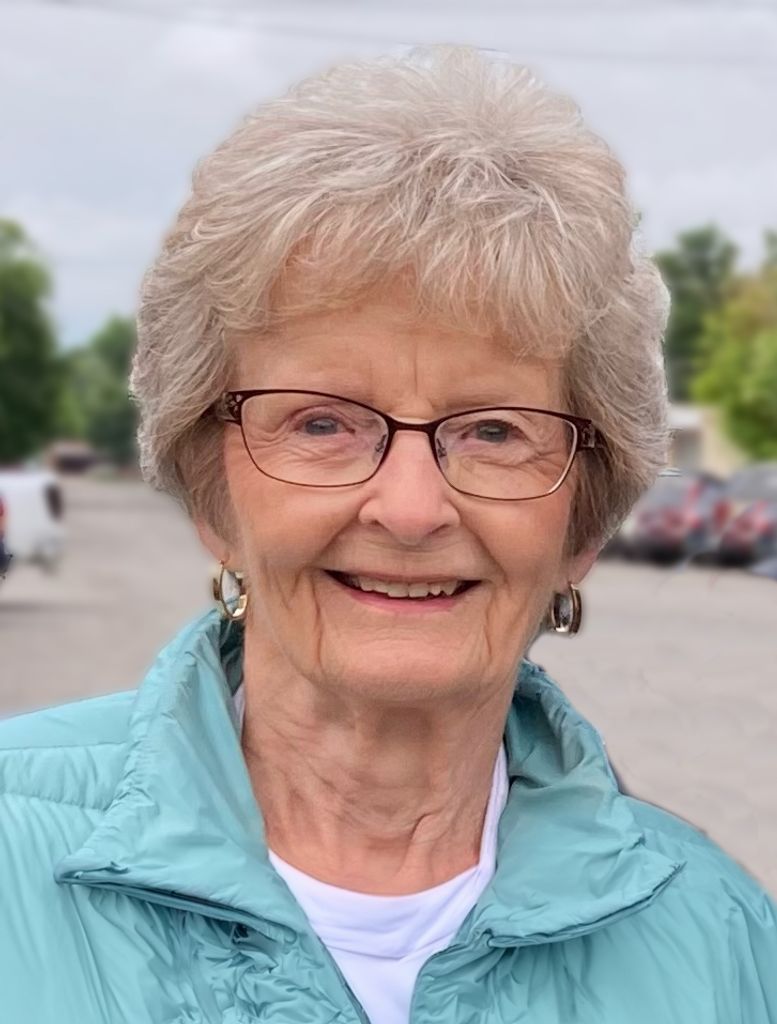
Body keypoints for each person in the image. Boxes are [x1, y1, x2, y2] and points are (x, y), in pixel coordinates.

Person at [0, 45, 775, 1024]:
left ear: (582, 524)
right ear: (212, 493)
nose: (410, 510)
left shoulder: (723, 941)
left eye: (493, 431)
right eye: (323, 422)